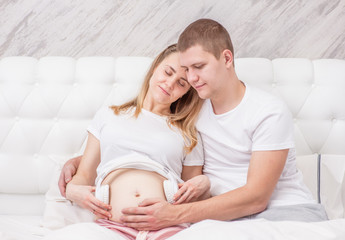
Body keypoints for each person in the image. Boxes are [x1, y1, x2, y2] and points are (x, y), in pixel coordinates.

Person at [59, 18, 328, 233]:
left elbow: (256, 197)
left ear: (226, 59)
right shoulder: (192, 111)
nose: (191, 78)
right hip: (219, 218)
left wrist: (174, 213)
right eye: (186, 70)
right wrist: (79, 163)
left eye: (197, 67)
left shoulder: (267, 110)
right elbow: (142, 143)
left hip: (276, 211)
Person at [47, 44, 209, 240]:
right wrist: (73, 192)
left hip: (167, 226)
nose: (170, 83)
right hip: (111, 225)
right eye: (168, 72)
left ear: (186, 92)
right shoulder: (109, 115)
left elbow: (192, 196)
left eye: (181, 83)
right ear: (155, 67)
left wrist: (204, 183)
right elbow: (85, 174)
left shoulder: (188, 134)